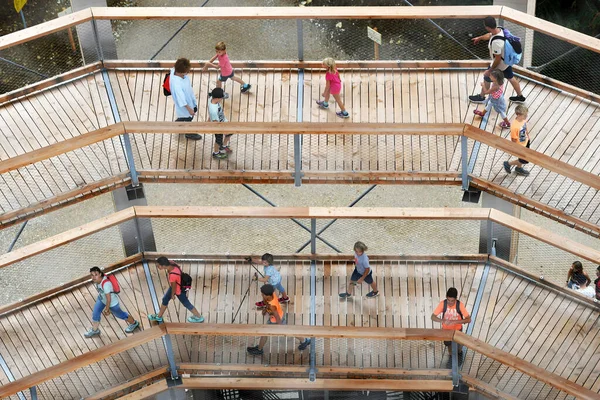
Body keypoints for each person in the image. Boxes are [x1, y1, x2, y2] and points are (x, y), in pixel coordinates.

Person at [469, 16, 526, 104]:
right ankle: (520, 97)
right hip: (506, 61)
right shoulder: (500, 29)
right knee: (511, 77)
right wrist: (479, 38)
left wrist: (490, 70)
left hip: (500, 64)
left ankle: (481, 97)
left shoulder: (496, 43)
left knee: (487, 77)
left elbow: (497, 59)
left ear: (487, 27)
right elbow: (490, 35)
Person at [247, 284, 310, 356]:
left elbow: (277, 316)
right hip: (278, 315)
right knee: (287, 331)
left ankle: (259, 350)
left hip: (275, 321)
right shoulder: (272, 294)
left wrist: (280, 327)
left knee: (268, 333)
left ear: (267, 295)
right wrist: (265, 309)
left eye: (263, 294)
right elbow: (267, 302)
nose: (262, 295)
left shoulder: (272, 306)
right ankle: (304, 340)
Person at [84, 267, 139, 338]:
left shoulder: (106, 284)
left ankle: (134, 323)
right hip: (101, 299)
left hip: (112, 303)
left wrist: (107, 309)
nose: (94, 277)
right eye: (92, 275)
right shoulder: (98, 281)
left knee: (121, 315)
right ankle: (95, 330)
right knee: (95, 314)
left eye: (96, 274)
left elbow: (109, 299)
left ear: (100, 274)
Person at [148, 257, 205, 323]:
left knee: (186, 303)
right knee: (165, 299)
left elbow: (174, 286)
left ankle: (199, 317)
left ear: (163, 266)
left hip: (178, 291)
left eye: (158, 266)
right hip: (178, 286)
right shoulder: (171, 262)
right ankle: (159, 316)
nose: (157, 267)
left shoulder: (173, 275)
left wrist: (172, 295)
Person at [431, 288, 471, 356]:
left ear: (456, 299)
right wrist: (442, 320)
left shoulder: (460, 305)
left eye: (452, 301)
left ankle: (459, 354)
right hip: (446, 331)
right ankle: (451, 357)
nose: (450, 303)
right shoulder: (443, 304)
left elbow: (468, 319)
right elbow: (433, 317)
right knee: (450, 349)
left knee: (459, 349)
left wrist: (455, 322)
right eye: (448, 300)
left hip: (457, 330)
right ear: (446, 297)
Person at [170, 58, 201, 141]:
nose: (188, 72)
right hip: (186, 105)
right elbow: (181, 100)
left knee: (185, 116)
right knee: (188, 117)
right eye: (186, 71)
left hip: (189, 99)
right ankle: (188, 133)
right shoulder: (177, 84)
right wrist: (189, 109)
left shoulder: (174, 71)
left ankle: (178, 124)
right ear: (181, 71)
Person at [503, 104, 531, 176]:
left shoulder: (523, 120)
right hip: (520, 146)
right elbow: (513, 139)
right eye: (524, 115)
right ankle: (508, 164)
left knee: (523, 158)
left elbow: (525, 127)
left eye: (526, 114)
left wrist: (528, 135)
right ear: (518, 115)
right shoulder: (514, 126)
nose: (526, 116)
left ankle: (518, 168)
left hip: (526, 141)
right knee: (525, 160)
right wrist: (516, 148)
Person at [207, 87, 233, 160]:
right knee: (218, 140)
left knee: (230, 133)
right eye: (221, 98)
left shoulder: (211, 98)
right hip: (218, 127)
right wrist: (223, 131)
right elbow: (216, 123)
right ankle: (216, 153)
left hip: (223, 121)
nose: (222, 99)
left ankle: (224, 146)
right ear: (217, 98)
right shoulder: (214, 110)